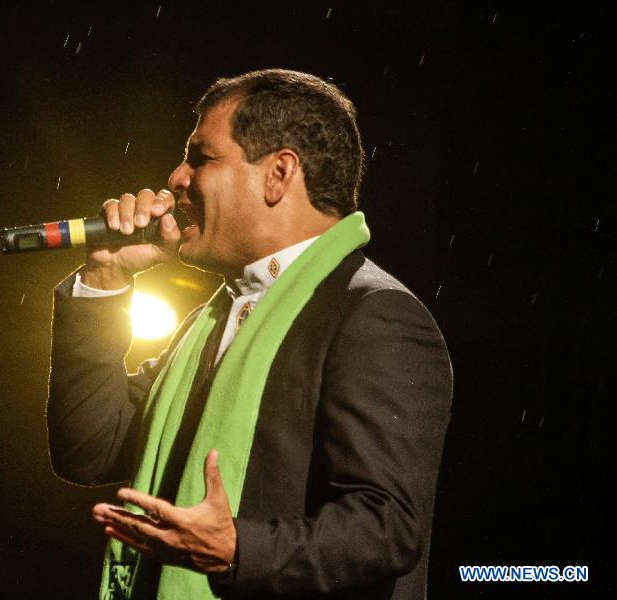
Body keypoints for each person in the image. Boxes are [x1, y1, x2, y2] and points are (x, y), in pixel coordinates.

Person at [47, 69, 452, 599]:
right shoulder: (214, 320)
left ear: (279, 174)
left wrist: (239, 549)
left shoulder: (374, 315)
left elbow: (387, 529)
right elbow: (91, 449)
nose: (176, 178)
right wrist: (104, 279)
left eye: (201, 157)